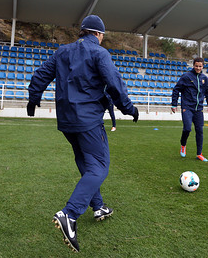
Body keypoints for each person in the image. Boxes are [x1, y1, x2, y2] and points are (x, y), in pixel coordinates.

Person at [27, 15, 138, 253]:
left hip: (66, 120)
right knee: (99, 166)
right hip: (87, 120)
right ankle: (70, 214)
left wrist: (33, 98)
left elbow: (40, 76)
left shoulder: (61, 52)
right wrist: (129, 109)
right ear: (98, 34)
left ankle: (98, 206)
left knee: (86, 163)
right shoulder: (99, 53)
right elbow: (115, 84)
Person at [171, 57, 208, 162]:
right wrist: (174, 104)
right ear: (193, 65)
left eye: (200, 66)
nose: (198, 68)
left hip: (199, 109)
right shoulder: (186, 77)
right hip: (187, 107)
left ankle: (199, 154)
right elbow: (176, 90)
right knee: (187, 129)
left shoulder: (205, 78)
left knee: (200, 131)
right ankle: (183, 145)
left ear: (203, 66)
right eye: (196, 66)